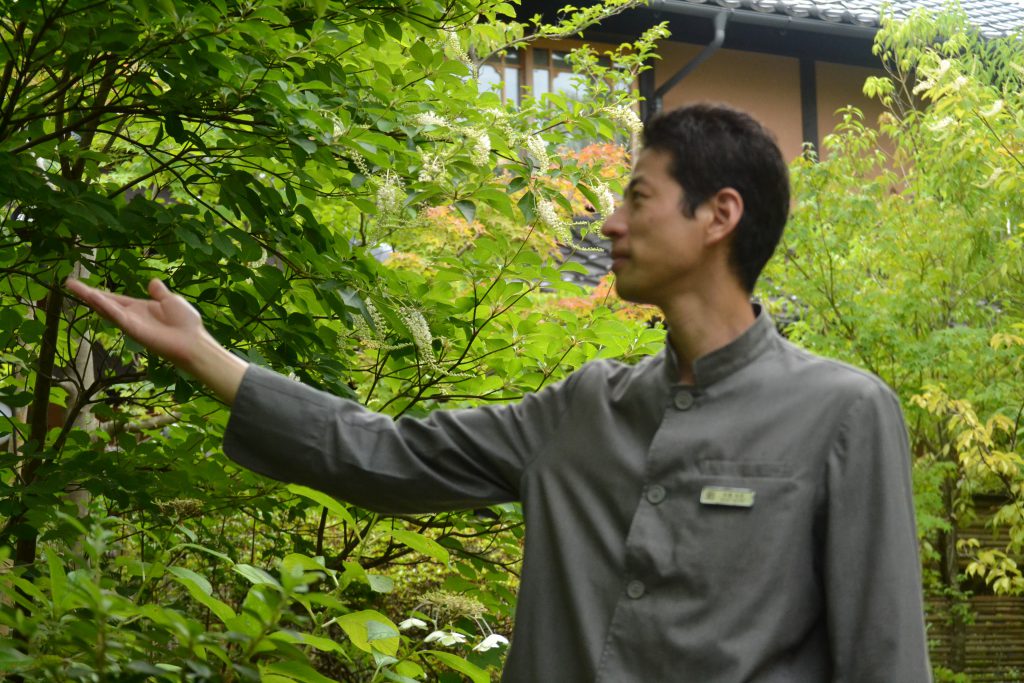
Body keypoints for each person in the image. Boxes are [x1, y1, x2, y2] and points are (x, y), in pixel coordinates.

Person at [68, 103, 932, 682]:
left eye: (638, 196)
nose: (609, 223)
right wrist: (209, 357)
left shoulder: (844, 414)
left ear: (719, 215)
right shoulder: (584, 407)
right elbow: (387, 452)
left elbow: (885, 656)